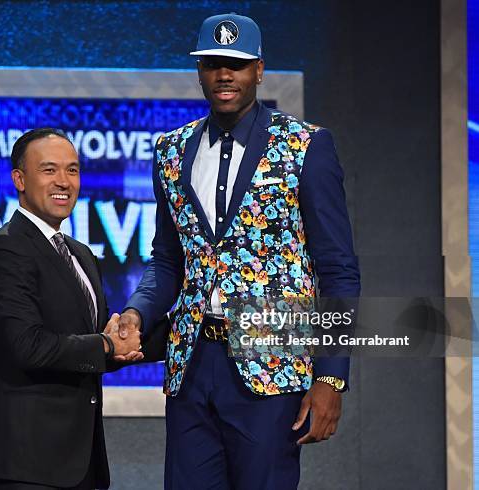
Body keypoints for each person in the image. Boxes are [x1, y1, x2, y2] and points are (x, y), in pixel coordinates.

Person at [120, 13, 361, 489]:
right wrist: (137, 310)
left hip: (270, 368)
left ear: (259, 69)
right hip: (191, 368)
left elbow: (338, 270)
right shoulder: (170, 151)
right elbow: (168, 260)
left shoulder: (305, 146)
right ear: (200, 71)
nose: (224, 75)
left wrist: (331, 378)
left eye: (236, 63)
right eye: (213, 64)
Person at [0, 128, 141, 490]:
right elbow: (27, 346)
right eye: (49, 170)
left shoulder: (80, 253)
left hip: (79, 462)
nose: (64, 182)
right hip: (26, 465)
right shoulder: (6, 249)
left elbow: (101, 341)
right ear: (19, 179)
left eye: (73, 170)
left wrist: (176, 332)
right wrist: (108, 346)